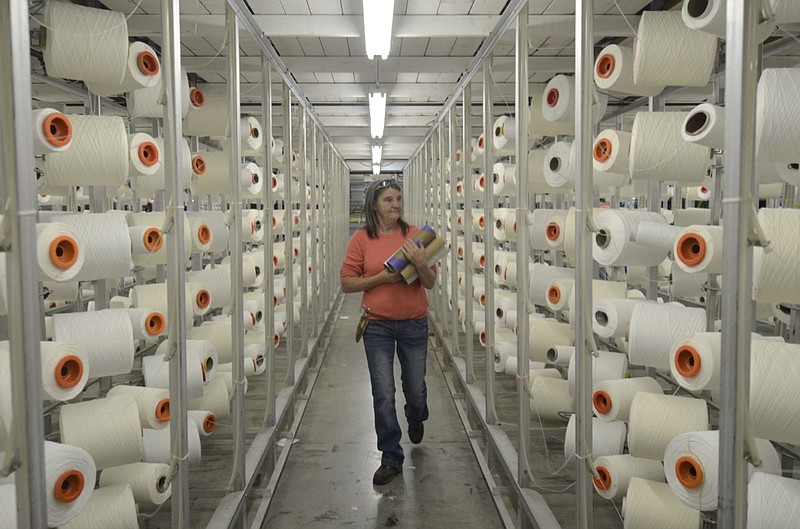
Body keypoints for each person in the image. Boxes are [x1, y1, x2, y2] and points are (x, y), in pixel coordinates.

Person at [339, 178, 437, 486]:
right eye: (388, 200)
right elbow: (347, 282)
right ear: (374, 205)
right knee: (383, 394)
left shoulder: (416, 236)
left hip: (413, 323)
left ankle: (416, 414)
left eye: (398, 198)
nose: (396, 204)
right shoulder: (361, 239)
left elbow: (430, 282)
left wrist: (421, 262)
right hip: (377, 325)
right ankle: (391, 457)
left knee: (416, 388)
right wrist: (381, 277)